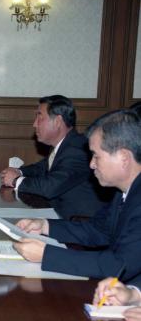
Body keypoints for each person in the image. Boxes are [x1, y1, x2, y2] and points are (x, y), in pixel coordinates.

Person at [12, 109, 141, 279]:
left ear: (123, 157)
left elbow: (119, 265)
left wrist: (46, 255)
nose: (91, 164)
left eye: (96, 156)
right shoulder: (124, 192)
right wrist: (44, 226)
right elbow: (98, 230)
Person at [0, 95, 109, 219]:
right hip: (61, 215)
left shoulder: (77, 150)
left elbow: (50, 187)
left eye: (39, 117)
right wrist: (19, 171)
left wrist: (15, 180)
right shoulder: (66, 144)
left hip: (80, 223)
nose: (34, 124)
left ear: (57, 121)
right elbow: (42, 167)